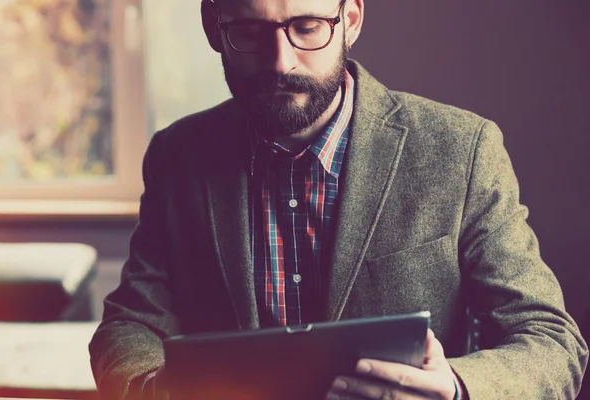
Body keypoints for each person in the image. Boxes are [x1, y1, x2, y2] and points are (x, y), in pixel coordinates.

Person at [89, 0, 588, 398]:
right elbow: (130, 324)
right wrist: (164, 392)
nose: (280, 61)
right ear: (211, 24)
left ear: (350, 19)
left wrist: (456, 388)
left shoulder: (462, 149)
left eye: (307, 27)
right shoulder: (176, 155)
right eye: (250, 31)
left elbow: (549, 339)